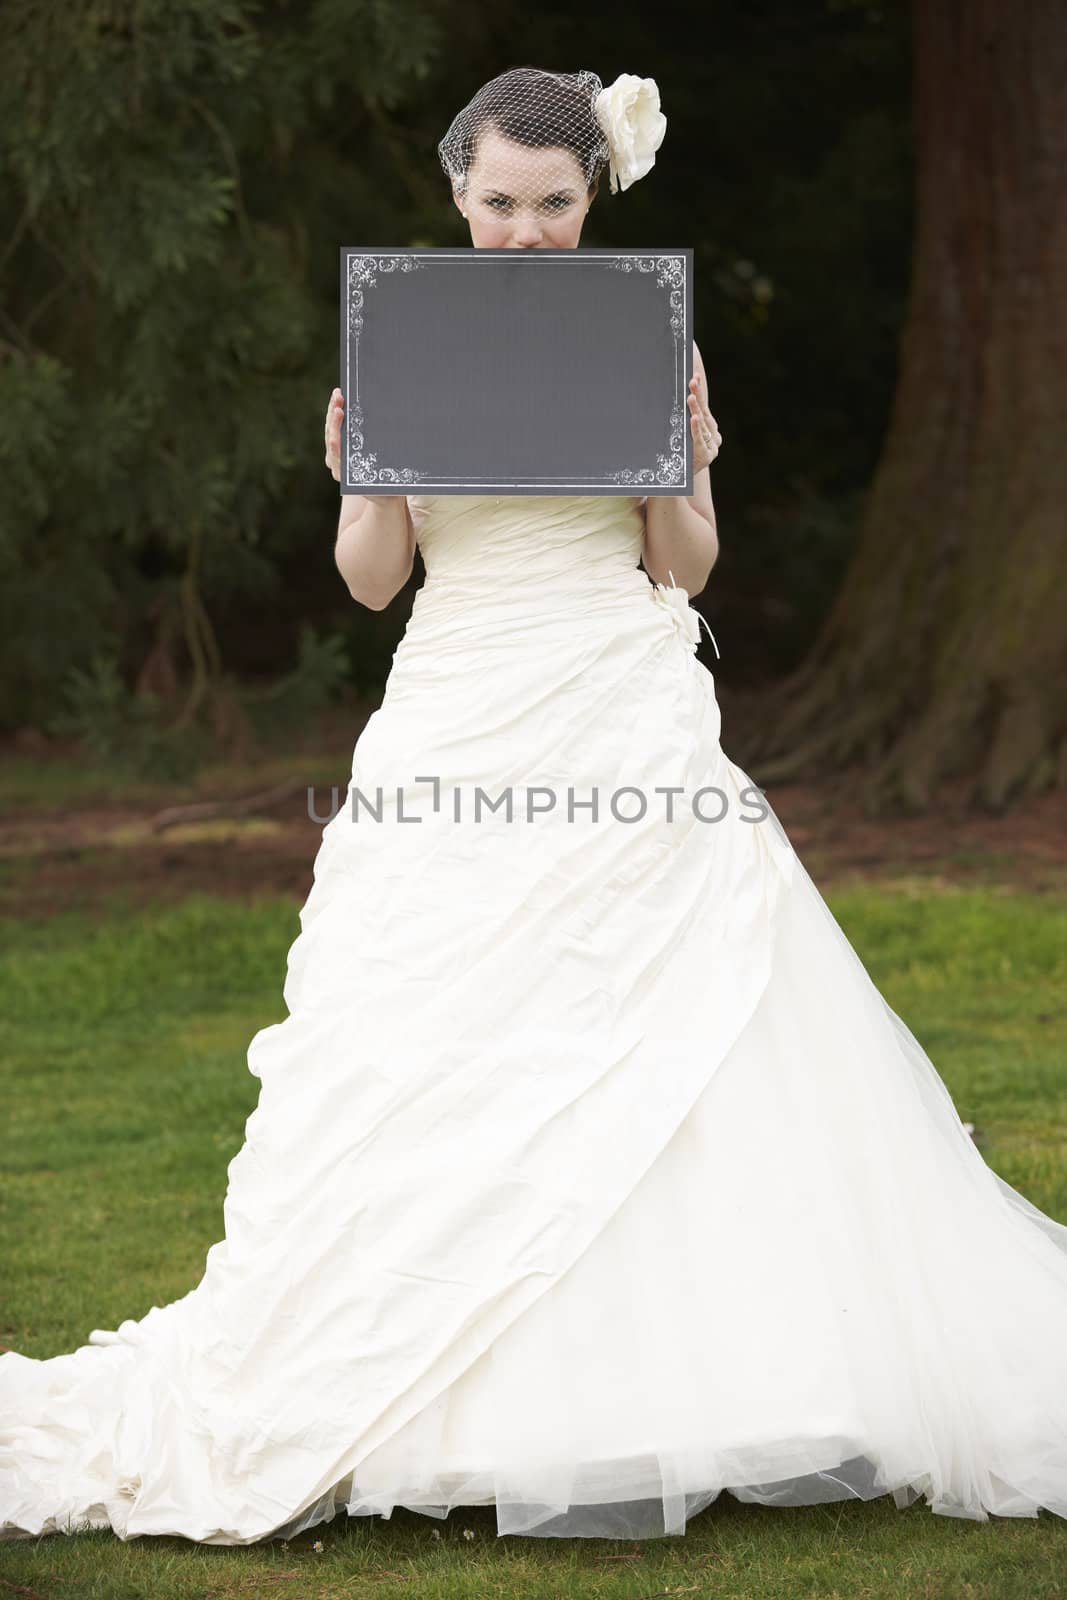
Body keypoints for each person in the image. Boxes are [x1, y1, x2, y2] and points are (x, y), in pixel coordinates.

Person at [3, 66, 1067, 1549]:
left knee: (663, 1020)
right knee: (436, 1028)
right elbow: (374, 582)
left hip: (614, 702)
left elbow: (682, 568)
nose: (523, 232)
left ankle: (683, 1388)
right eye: (498, 202)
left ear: (593, 201)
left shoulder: (644, 327)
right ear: (459, 197)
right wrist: (360, 470)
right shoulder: (400, 331)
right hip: (461, 701)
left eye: (553, 205)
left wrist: (688, 460)